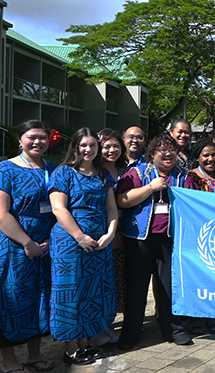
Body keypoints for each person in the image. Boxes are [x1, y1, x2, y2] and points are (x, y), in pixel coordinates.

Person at [0, 120, 57, 373]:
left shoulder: (54, 168)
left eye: (42, 137)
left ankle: (34, 356)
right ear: (20, 140)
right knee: (10, 301)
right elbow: (0, 213)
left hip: (43, 246)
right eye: (31, 137)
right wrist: (27, 243)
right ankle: (9, 362)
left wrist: (47, 241)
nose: (37, 142)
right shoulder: (4, 170)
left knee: (38, 300)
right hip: (10, 246)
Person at [116, 133, 193, 350]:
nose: (168, 154)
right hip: (140, 239)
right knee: (136, 288)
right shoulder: (138, 172)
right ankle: (130, 334)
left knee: (168, 287)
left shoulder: (183, 175)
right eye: (162, 150)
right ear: (152, 154)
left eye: (172, 150)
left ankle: (173, 330)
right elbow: (121, 200)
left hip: (169, 239)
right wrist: (151, 187)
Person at [48, 127, 118, 365]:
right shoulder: (63, 173)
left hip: (99, 244)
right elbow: (59, 208)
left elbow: (111, 207)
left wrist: (109, 234)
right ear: (76, 147)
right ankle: (71, 349)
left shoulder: (102, 174)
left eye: (93, 146)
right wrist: (79, 236)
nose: (88, 150)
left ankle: (86, 342)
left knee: (93, 292)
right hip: (70, 244)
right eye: (83, 145)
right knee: (71, 294)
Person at [183, 141, 215, 336]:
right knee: (199, 278)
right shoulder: (191, 178)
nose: (210, 159)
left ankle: (213, 315)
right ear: (198, 158)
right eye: (206, 156)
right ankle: (196, 317)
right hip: (199, 236)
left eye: (213, 155)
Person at [88, 128, 127, 348]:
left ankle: (109, 324)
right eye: (107, 146)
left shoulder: (126, 169)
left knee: (117, 279)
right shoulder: (92, 170)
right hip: (98, 230)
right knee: (99, 280)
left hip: (124, 228)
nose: (112, 150)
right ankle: (96, 328)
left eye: (116, 146)